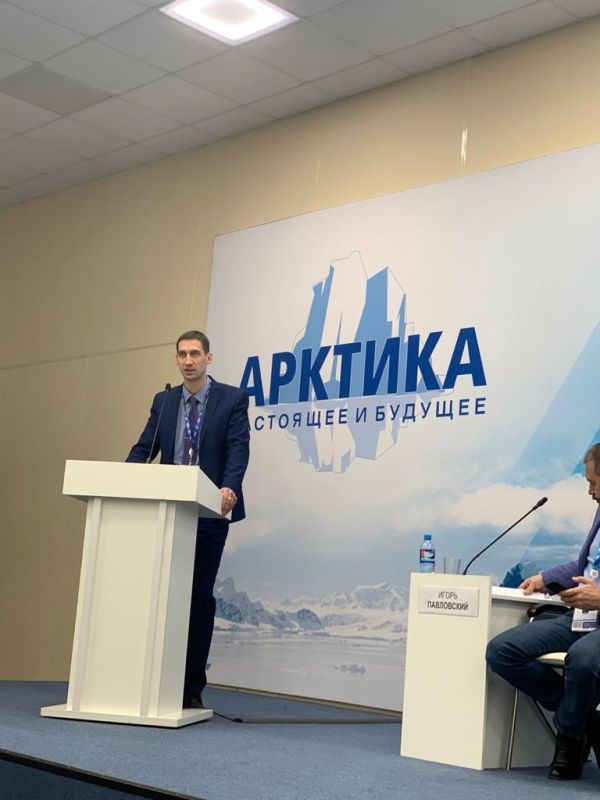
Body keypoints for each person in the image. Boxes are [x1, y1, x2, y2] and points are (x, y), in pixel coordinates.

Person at [126, 330, 250, 709]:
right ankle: (154, 679)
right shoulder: (164, 401)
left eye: (195, 354)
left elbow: (238, 449)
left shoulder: (232, 399)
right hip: (168, 513)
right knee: (161, 597)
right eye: (182, 354)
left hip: (209, 513)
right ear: (176, 359)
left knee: (197, 598)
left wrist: (229, 487)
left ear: (208, 358)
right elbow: (145, 448)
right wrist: (122, 478)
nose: (188, 361)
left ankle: (191, 687)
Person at [486, 442, 600, 780]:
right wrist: (544, 578)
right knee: (502, 650)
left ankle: (569, 736)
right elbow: (584, 566)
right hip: (579, 617)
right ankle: (578, 715)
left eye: (593, 483)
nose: (590, 492)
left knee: (583, 659)